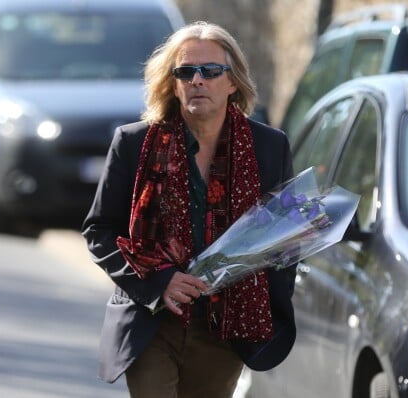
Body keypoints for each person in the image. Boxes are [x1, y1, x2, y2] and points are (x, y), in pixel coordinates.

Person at [82, 21, 297, 398]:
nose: (198, 80)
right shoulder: (133, 144)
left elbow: (284, 239)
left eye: (211, 71)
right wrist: (158, 281)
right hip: (152, 324)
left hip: (225, 328)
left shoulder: (269, 147)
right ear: (173, 83)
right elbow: (99, 231)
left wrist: (264, 310)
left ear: (232, 83)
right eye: (185, 72)